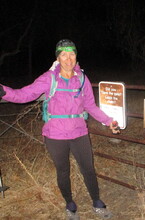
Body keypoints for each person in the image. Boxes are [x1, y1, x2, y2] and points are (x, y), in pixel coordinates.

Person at [0, 39, 120, 220]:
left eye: (72, 54)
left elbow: (90, 106)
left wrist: (108, 120)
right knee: (63, 171)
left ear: (76, 56)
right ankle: (70, 205)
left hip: (79, 132)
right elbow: (25, 94)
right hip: (55, 134)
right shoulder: (49, 78)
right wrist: (3, 91)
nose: (68, 58)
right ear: (58, 57)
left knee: (88, 168)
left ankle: (97, 202)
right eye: (63, 54)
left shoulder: (82, 79)